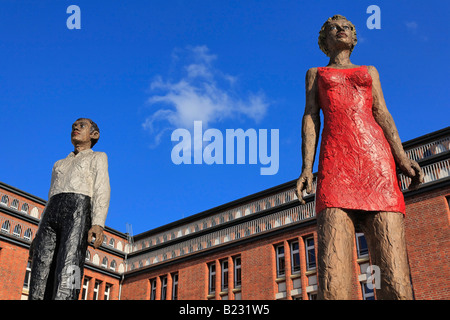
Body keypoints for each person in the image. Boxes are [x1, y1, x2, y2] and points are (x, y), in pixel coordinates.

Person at [295, 15, 423, 300]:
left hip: (377, 163)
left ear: (354, 38)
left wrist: (401, 157)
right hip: (335, 166)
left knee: (394, 277)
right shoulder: (316, 74)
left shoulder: (369, 71)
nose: (342, 30)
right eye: (333, 28)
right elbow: (311, 117)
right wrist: (307, 168)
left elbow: (382, 113)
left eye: (348, 28)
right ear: (324, 40)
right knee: (333, 280)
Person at [28, 118, 111, 300]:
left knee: (70, 262)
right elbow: (49, 195)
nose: (75, 128)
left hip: (78, 209)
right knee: (40, 266)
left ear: (94, 134)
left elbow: (102, 188)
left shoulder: (97, 157)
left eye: (82, 126)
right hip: (52, 210)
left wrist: (98, 223)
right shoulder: (59, 164)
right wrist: (38, 234)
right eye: (74, 126)